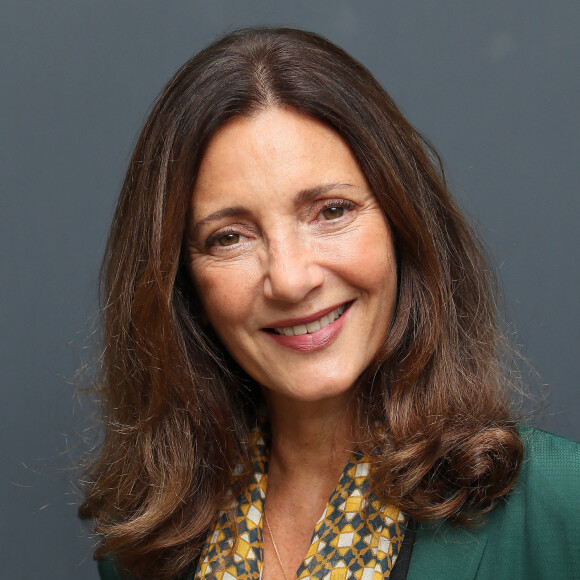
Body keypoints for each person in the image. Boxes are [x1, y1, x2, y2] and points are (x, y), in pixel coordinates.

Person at [80, 27, 580, 580]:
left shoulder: (560, 504)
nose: (291, 280)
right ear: (182, 285)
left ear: (401, 224)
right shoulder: (141, 548)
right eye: (230, 237)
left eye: (331, 211)